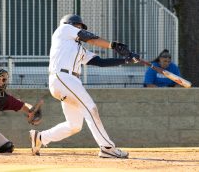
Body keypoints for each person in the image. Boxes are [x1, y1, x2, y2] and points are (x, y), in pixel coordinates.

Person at [29, 14, 138, 159]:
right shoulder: (63, 29)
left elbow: (100, 62)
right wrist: (114, 45)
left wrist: (125, 60)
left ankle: (41, 138)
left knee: (74, 125)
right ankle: (107, 148)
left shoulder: (78, 48)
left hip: (69, 82)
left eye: (80, 27)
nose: (79, 29)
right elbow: (89, 37)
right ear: (69, 24)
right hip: (63, 77)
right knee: (91, 108)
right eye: (77, 26)